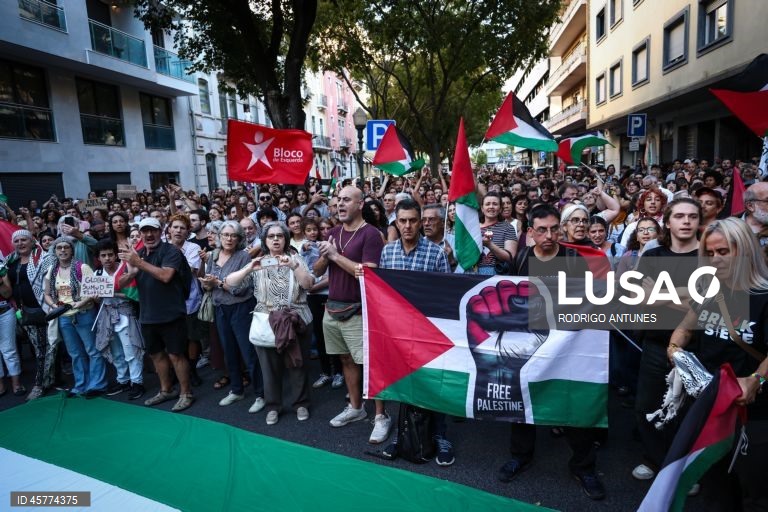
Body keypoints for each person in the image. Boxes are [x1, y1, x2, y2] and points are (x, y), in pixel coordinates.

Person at [501, 205, 606, 500]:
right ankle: (520, 456)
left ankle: (584, 467)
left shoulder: (574, 259)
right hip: (530, 344)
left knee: (574, 403)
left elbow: (593, 300)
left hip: (568, 345)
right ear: (529, 233)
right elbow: (513, 297)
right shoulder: (522, 258)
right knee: (521, 399)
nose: (550, 235)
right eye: (542, 230)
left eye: (554, 229)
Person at [669, 218, 768, 510]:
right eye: (710, 253)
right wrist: (675, 350)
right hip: (711, 404)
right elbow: (685, 328)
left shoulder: (764, 297)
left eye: (724, 252)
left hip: (755, 413)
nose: (716, 260)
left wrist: (757, 380)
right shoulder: (710, 290)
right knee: (716, 483)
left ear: (746, 250)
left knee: (756, 488)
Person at [376, 199, 455, 465]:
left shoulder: (436, 253)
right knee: (403, 383)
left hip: (428, 332)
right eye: (402, 221)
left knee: (434, 385)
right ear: (396, 223)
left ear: (421, 222)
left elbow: (444, 296)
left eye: (412, 220)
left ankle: (441, 437)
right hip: (398, 331)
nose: (408, 226)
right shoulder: (388, 252)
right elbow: (383, 292)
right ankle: (402, 435)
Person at [632, 198, 702, 482]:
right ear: (668, 222)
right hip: (656, 344)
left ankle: (684, 469)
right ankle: (654, 460)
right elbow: (638, 299)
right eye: (680, 216)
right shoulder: (652, 257)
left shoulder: (712, 256)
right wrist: (688, 296)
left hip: (698, 348)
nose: (686, 222)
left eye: (693, 216)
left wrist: (660, 295)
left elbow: (710, 303)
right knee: (648, 404)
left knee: (690, 411)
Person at [314, 186, 385, 441]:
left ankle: (380, 416)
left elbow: (369, 273)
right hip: (333, 308)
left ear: (360, 203)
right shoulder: (333, 232)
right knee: (345, 361)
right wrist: (325, 256)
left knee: (370, 365)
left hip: (359, 311)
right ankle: (356, 408)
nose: (340, 204)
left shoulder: (371, 234)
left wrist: (335, 255)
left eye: (346, 200)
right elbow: (318, 268)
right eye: (338, 200)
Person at [226, 222, 315, 425]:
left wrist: (293, 266)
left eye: (280, 236)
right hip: (267, 321)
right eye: (271, 236)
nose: (276, 239)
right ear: (265, 241)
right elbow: (230, 282)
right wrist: (249, 268)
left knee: (297, 364)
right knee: (269, 368)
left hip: (297, 318)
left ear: (286, 239)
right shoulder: (257, 262)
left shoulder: (296, 259)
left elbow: (308, 284)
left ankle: (300, 403)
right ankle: (273, 406)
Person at [118, 217, 195, 413]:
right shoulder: (139, 253)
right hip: (148, 314)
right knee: (156, 355)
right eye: (145, 231)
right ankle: (166, 390)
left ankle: (186, 393)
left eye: (153, 230)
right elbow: (122, 283)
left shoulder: (171, 252)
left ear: (161, 231)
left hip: (171, 313)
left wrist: (138, 263)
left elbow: (166, 276)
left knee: (176, 354)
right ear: (141, 234)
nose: (149, 235)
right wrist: (132, 272)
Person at [198, 220, 264, 413]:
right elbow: (208, 284)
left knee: (248, 352)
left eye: (233, 235)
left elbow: (242, 290)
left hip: (241, 309)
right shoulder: (213, 256)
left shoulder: (244, 257)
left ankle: (261, 394)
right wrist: (207, 284)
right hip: (220, 308)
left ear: (239, 238)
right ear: (219, 237)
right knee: (229, 351)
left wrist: (217, 283)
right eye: (225, 235)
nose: (229, 238)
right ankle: (237, 389)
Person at [43, 236, 105, 397]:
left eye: (66, 247)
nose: (62, 250)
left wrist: (81, 302)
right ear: (55, 251)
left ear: (72, 250)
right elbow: (47, 294)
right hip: (64, 317)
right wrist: (53, 305)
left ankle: (97, 385)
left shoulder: (82, 267)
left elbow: (94, 291)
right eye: (59, 247)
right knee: (75, 353)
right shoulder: (52, 269)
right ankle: (80, 385)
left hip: (84, 313)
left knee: (92, 350)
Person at [92, 239, 145, 400]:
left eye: (110, 254)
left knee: (130, 350)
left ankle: (137, 381)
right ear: (98, 258)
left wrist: (112, 292)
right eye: (103, 255)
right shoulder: (97, 274)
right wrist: (96, 296)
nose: (107, 258)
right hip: (107, 315)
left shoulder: (124, 271)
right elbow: (97, 300)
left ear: (116, 255)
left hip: (124, 313)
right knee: (116, 351)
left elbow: (133, 295)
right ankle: (123, 379)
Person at [7, 230, 56, 400]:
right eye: (17, 240)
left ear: (32, 241)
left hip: (44, 309)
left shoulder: (45, 258)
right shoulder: (10, 261)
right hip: (24, 311)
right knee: (40, 348)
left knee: (44, 349)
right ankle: (49, 379)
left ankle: (39, 385)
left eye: (23, 240)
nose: (20, 243)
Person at [477, 192, 517, 275]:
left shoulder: (508, 227)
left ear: (500, 209)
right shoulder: (474, 228)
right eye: (487, 204)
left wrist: (490, 245)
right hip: (474, 273)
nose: (491, 207)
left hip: (498, 274)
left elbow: (510, 257)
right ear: (482, 208)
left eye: (495, 204)